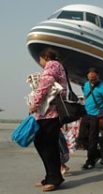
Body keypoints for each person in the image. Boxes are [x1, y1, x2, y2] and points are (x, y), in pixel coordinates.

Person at [29, 47, 67, 191]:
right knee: (43, 144)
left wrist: (35, 102)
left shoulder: (52, 64)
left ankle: (55, 178)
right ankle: (50, 176)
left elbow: (46, 83)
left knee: (47, 145)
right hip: (47, 113)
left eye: (40, 59)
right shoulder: (59, 66)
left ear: (45, 57)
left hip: (50, 113)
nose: (40, 62)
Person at [77, 68, 103, 170]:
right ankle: (96, 153)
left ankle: (90, 160)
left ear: (98, 76)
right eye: (90, 79)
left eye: (94, 79)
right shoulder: (86, 85)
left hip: (96, 116)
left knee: (92, 140)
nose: (92, 81)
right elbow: (86, 98)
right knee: (81, 138)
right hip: (86, 114)